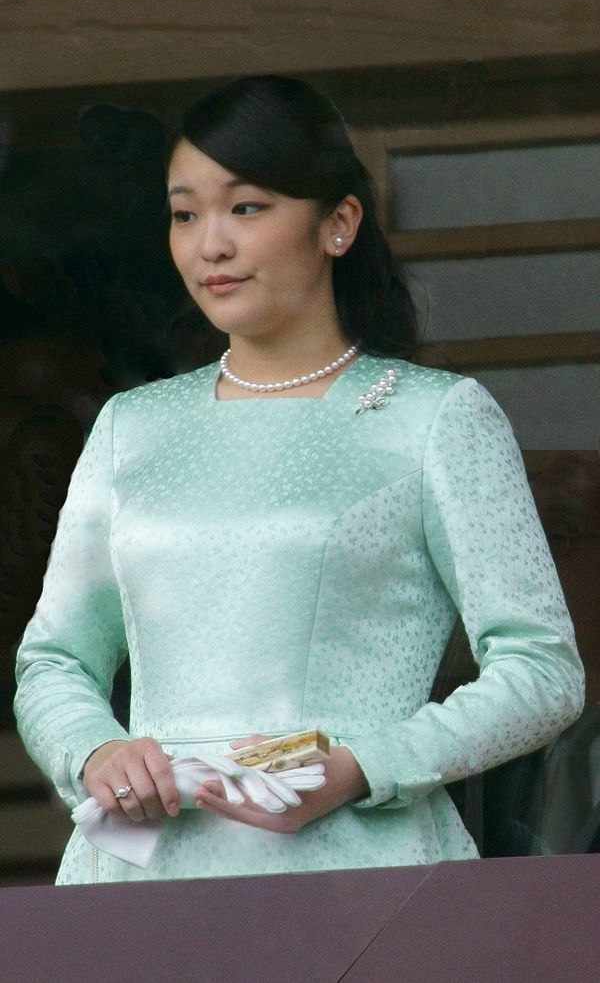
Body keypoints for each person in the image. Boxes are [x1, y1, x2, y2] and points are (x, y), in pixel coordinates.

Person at [14, 75, 584, 884]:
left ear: (339, 224)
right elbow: (54, 661)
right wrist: (97, 750)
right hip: (139, 878)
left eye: (245, 207)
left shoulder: (434, 418)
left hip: (359, 872)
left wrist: (364, 765)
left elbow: (541, 668)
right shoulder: (130, 428)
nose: (210, 243)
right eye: (185, 213)